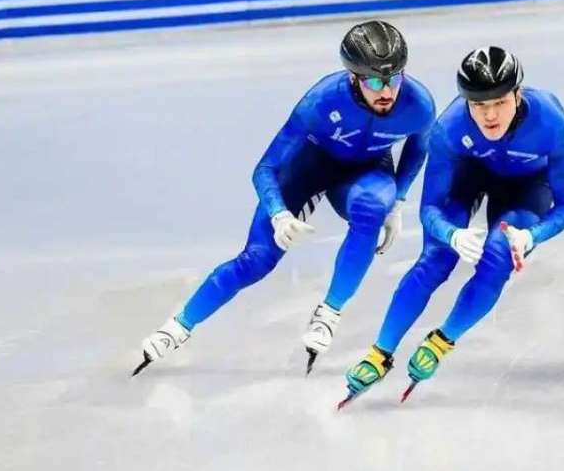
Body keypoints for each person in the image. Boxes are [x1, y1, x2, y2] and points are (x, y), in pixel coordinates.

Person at [135, 21, 436, 376]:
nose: (386, 91)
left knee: (372, 209)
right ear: (354, 78)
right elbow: (265, 169)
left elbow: (418, 149)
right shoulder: (321, 102)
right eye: (373, 81)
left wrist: (398, 202)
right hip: (306, 168)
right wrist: (278, 213)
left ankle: (330, 311)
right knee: (257, 259)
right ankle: (179, 326)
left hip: (364, 174)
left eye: (394, 78)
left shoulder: (419, 105)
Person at [340, 46, 564, 404]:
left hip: (526, 190)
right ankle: (379, 352)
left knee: (498, 258)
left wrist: (532, 234)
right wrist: (452, 234)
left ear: (517, 94)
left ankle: (441, 341)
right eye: (479, 105)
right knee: (435, 260)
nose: (490, 114)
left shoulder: (552, 123)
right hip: (466, 178)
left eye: (499, 102)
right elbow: (430, 209)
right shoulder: (449, 128)